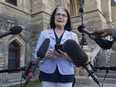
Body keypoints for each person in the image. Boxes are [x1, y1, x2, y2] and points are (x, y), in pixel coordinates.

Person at [34, 6, 78, 87]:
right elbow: (36, 55)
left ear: (67, 19)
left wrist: (66, 56)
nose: (60, 17)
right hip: (47, 73)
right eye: (58, 14)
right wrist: (45, 55)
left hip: (66, 74)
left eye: (63, 15)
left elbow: (77, 59)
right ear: (53, 17)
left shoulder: (73, 36)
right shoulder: (44, 34)